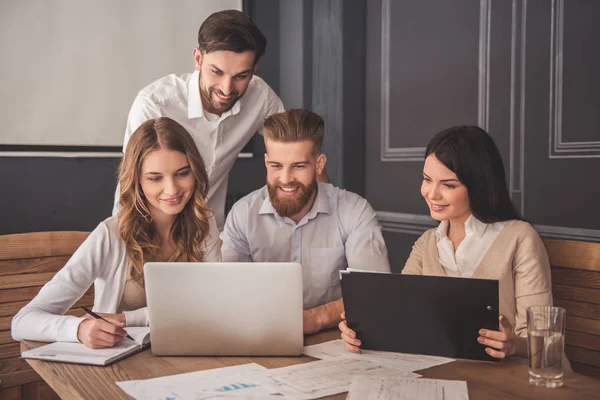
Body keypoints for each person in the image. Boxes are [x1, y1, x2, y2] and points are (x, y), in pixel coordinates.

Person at [339, 125, 553, 359]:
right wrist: (361, 330)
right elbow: (401, 317)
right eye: (427, 179)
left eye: (448, 185)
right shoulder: (427, 243)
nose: (432, 193)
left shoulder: (519, 237)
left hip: (510, 380)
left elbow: (545, 338)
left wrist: (513, 345)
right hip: (444, 373)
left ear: (479, 185)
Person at [12, 117, 221, 349]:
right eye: (155, 178)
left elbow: (212, 305)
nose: (172, 189)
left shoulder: (204, 223)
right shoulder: (110, 235)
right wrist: (78, 329)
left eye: (182, 173)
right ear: (137, 181)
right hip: (118, 367)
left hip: (186, 356)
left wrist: (128, 319)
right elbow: (22, 321)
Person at [221, 109, 390, 334]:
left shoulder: (354, 210)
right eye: (276, 166)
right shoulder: (243, 213)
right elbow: (226, 290)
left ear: (319, 165)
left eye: (298, 166)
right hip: (262, 334)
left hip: (337, 339)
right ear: (266, 161)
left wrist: (316, 318)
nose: (285, 179)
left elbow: (374, 291)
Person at [112, 10, 285, 230]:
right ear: (198, 59)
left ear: (254, 69)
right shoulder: (154, 104)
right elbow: (131, 187)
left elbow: (297, 148)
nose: (226, 88)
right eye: (217, 72)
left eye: (241, 76)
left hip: (210, 236)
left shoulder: (260, 96)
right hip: (149, 233)